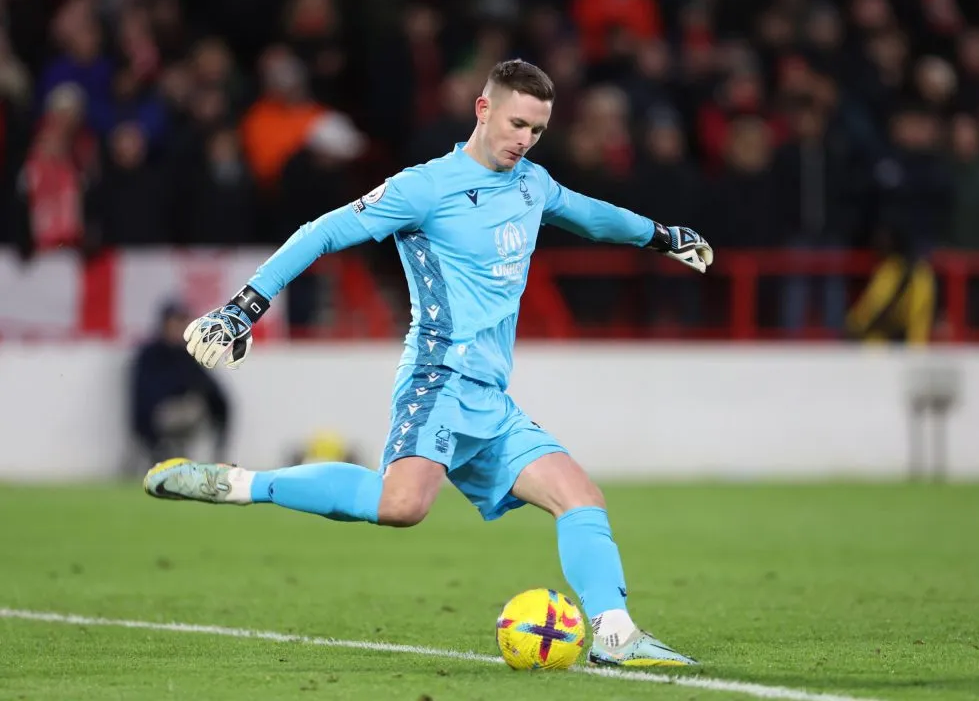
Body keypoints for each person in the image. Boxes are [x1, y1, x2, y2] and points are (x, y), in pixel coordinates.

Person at [143, 60, 712, 667]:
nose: (525, 140)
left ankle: (617, 638)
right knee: (402, 506)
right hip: (438, 378)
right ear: (483, 109)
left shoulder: (532, 184)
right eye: (518, 123)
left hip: (490, 396)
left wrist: (663, 236)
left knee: (581, 498)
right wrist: (243, 307)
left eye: (538, 130)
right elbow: (322, 232)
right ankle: (239, 484)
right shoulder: (425, 187)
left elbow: (592, 214)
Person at [130, 300, 230, 472]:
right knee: (188, 409)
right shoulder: (150, 355)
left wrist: (220, 431)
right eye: (176, 322)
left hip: (184, 416)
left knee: (195, 406)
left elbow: (215, 393)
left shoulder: (188, 355)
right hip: (157, 417)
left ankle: (176, 459)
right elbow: (143, 398)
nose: (179, 327)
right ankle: (164, 456)